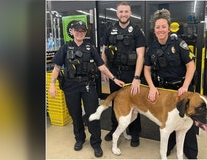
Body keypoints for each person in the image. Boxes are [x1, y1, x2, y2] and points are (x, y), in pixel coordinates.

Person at [49, 20, 124, 158]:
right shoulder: (65, 48)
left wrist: (113, 78)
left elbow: (101, 66)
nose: (80, 33)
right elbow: (57, 67)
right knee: (75, 115)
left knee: (93, 115)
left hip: (88, 85)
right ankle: (80, 138)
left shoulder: (91, 48)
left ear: (85, 33)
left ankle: (96, 143)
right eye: (77, 30)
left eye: (82, 31)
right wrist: (52, 84)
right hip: (70, 86)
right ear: (72, 32)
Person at [143, 9, 198, 159]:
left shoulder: (179, 44)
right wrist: (152, 87)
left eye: (163, 26)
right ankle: (170, 145)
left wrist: (185, 86)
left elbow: (191, 66)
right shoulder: (152, 48)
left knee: (187, 119)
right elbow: (146, 69)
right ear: (154, 30)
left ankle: (191, 152)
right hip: (164, 89)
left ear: (168, 28)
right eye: (157, 27)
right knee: (169, 120)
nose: (160, 30)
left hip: (181, 87)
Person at [101, 1, 146, 147]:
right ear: (117, 13)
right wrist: (105, 72)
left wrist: (137, 78)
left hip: (131, 74)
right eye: (121, 11)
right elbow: (104, 52)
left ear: (130, 12)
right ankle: (115, 129)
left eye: (126, 11)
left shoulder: (136, 31)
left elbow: (141, 56)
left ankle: (135, 133)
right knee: (116, 102)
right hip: (114, 73)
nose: (123, 14)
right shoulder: (109, 30)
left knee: (135, 103)